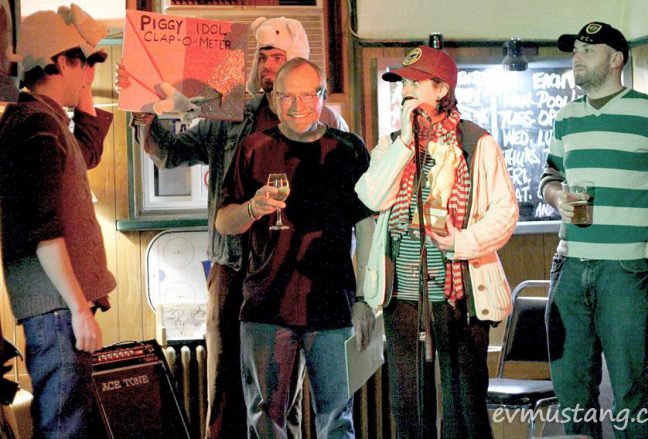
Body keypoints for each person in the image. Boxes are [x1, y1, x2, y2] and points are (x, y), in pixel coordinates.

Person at [117, 17, 347, 438]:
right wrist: (143, 111)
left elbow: (348, 206)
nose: (268, 64)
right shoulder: (230, 110)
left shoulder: (330, 124)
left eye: (278, 56)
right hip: (233, 263)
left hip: (292, 273)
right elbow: (172, 153)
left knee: (281, 392)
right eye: (263, 56)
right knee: (224, 379)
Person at [355, 46, 518, 439]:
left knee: (464, 406)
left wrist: (461, 242)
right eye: (403, 82)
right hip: (404, 294)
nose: (405, 90)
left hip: (460, 292)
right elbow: (371, 197)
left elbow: (505, 212)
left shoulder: (476, 142)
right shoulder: (393, 143)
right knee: (407, 401)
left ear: (441, 88)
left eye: (414, 82)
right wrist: (406, 145)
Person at [542, 21, 648, 438]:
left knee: (630, 392)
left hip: (625, 273)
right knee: (572, 392)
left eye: (587, 51)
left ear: (616, 60)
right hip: (568, 268)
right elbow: (550, 175)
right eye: (574, 51)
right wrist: (557, 197)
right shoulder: (566, 117)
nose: (576, 57)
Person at [215, 57, 375, 439]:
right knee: (265, 418)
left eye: (308, 95)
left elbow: (366, 224)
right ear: (273, 99)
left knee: (337, 417)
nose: (297, 105)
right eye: (287, 96)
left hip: (332, 304)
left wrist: (365, 297)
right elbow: (224, 221)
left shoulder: (348, 149)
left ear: (322, 97)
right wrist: (253, 207)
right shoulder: (253, 148)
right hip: (266, 303)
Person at [0, 5, 115, 437]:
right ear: (61, 62)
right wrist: (80, 309)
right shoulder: (37, 126)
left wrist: (82, 87)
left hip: (54, 309)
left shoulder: (40, 120)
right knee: (65, 428)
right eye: (84, 64)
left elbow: (81, 157)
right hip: (56, 310)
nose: (89, 76)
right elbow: (45, 233)